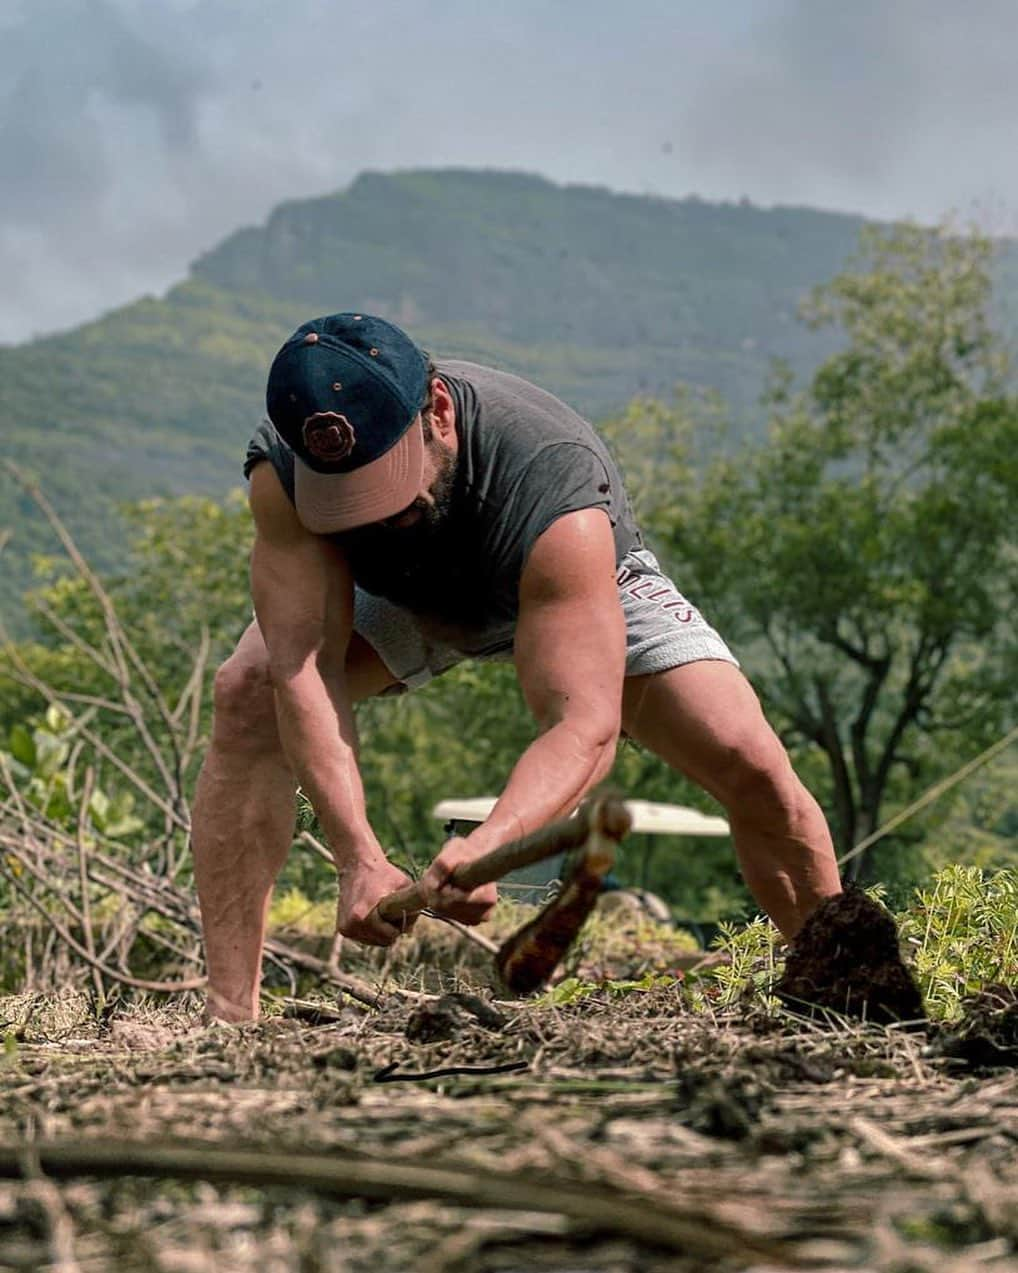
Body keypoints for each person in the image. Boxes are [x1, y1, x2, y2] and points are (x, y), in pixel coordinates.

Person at [191, 313, 842, 1023]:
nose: (373, 514)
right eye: (345, 499)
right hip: (399, 596)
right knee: (248, 693)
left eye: (387, 483)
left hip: (571, 583)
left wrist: (493, 841)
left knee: (751, 761)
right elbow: (305, 668)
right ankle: (230, 1018)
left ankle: (843, 985)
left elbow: (583, 723)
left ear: (437, 410)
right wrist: (357, 855)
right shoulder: (281, 474)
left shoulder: (550, 470)